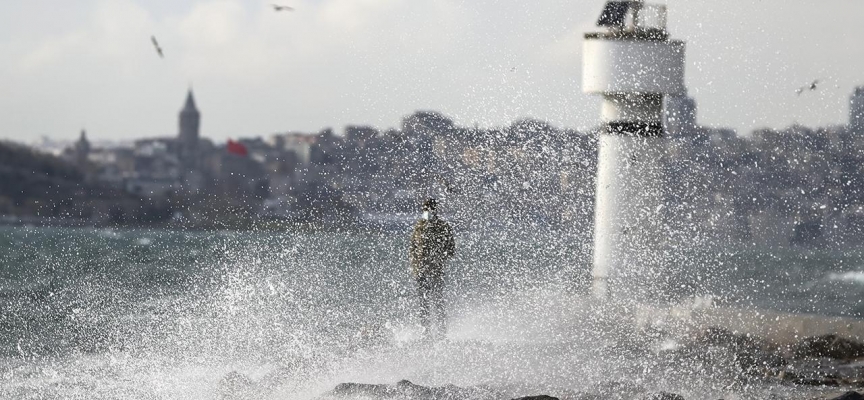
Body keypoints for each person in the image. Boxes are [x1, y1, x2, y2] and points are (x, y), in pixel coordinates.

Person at [409, 198, 455, 340]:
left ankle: (441, 332)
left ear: (435, 210)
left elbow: (451, 249)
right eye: (425, 209)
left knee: (438, 301)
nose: (427, 212)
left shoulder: (444, 227)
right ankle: (426, 332)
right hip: (420, 269)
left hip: (436, 269)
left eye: (430, 209)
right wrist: (414, 263)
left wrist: (440, 257)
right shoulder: (419, 226)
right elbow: (412, 248)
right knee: (423, 303)